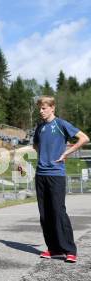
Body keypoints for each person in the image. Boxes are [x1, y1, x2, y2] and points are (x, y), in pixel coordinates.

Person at [33, 96, 89, 263]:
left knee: (58, 211)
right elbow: (36, 145)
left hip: (56, 174)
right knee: (45, 213)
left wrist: (66, 153)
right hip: (41, 174)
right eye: (40, 108)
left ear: (52, 108)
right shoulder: (40, 127)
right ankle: (54, 249)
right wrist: (43, 156)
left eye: (44, 108)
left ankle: (69, 250)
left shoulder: (61, 124)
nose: (41, 111)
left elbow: (84, 138)